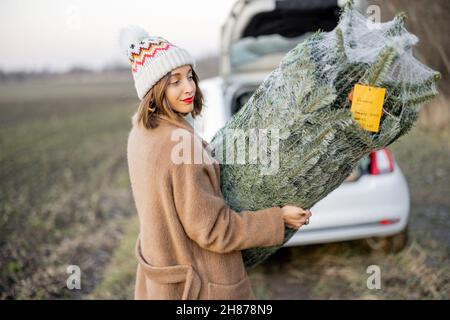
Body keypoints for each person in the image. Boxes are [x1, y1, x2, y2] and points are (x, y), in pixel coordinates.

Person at [119, 27, 312, 300]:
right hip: (200, 288)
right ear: (154, 89)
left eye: (189, 76)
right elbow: (213, 230)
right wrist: (277, 219)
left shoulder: (141, 134)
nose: (188, 87)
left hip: (163, 280)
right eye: (174, 81)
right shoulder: (179, 145)